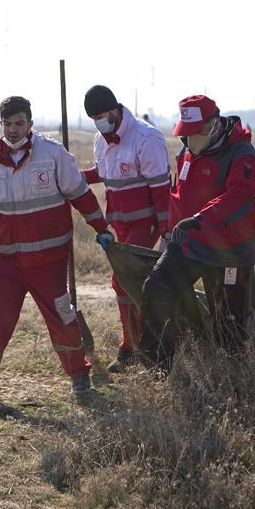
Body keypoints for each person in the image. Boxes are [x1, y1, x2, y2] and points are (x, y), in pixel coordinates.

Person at [0, 96, 114, 401]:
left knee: (62, 319)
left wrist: (102, 229)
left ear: (30, 124)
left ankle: (79, 377)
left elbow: (81, 195)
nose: (13, 129)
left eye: (19, 123)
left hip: (48, 260)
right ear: (0, 124)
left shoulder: (53, 154)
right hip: (7, 260)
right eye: (7, 124)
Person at [138, 95, 255, 368]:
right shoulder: (187, 151)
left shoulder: (242, 153)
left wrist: (199, 218)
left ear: (214, 124)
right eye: (186, 132)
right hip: (188, 244)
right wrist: (169, 231)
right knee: (156, 288)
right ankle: (158, 368)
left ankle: (235, 379)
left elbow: (239, 196)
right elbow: (179, 196)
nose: (189, 138)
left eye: (195, 132)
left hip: (229, 252)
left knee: (227, 321)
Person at [81, 85, 171, 373]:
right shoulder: (100, 139)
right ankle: (134, 343)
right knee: (125, 283)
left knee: (126, 282)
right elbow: (103, 173)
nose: (99, 121)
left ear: (116, 109)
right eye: (93, 117)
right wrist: (73, 177)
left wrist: (167, 230)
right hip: (118, 223)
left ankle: (137, 346)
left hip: (145, 223)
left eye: (102, 115)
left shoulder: (146, 138)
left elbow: (161, 189)